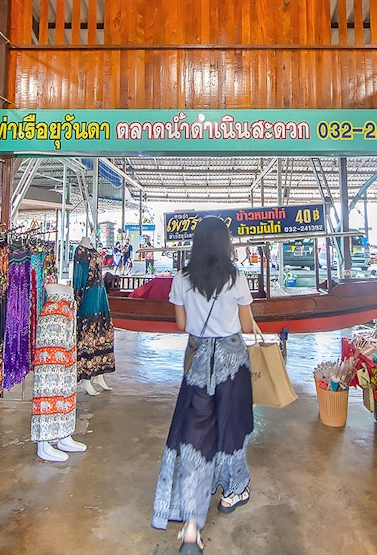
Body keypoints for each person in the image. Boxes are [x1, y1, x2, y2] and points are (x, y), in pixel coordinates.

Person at [152, 217, 255, 554]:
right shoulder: (237, 278)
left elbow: (182, 325)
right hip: (232, 365)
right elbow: (245, 326)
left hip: (197, 366)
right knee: (232, 429)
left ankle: (191, 530)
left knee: (195, 441)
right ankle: (232, 491)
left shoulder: (182, 279)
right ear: (225, 244)